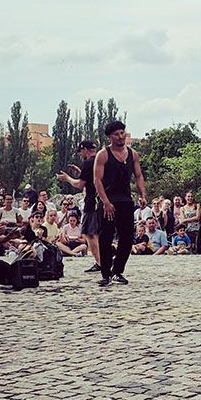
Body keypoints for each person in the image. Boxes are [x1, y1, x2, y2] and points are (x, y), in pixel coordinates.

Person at [93, 121, 146, 287]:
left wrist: (143, 194)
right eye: (116, 134)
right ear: (110, 137)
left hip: (125, 201)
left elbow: (138, 175)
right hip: (108, 201)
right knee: (106, 238)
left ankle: (117, 271)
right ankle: (105, 274)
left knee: (127, 238)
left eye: (122, 133)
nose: (121, 136)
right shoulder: (103, 155)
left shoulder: (133, 154)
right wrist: (105, 202)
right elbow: (97, 180)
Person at [57, 139, 101, 272]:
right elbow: (91, 178)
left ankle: (100, 263)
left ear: (85, 150)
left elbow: (80, 185)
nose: (80, 155)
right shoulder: (100, 160)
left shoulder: (88, 163)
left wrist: (67, 178)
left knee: (90, 233)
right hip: (101, 200)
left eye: (81, 152)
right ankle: (102, 261)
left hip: (91, 201)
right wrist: (79, 172)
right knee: (96, 233)